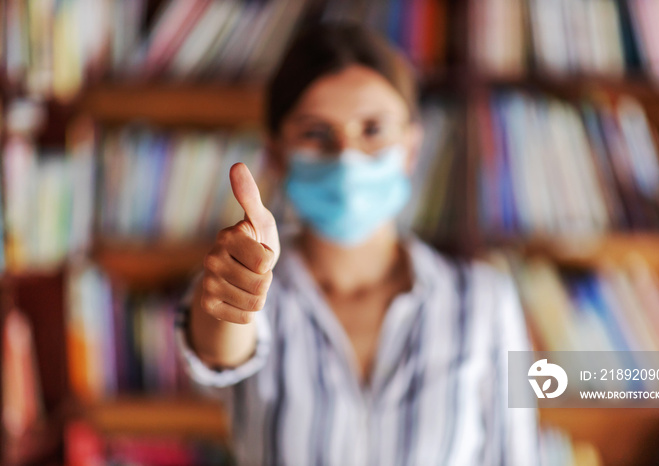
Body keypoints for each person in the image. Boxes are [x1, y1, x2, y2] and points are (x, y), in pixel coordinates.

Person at [175, 22, 538, 465]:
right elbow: (220, 351)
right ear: (275, 155)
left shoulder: (486, 301)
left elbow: (516, 455)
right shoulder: (243, 279)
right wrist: (236, 302)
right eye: (316, 133)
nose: (347, 156)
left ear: (411, 148)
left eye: (373, 129)